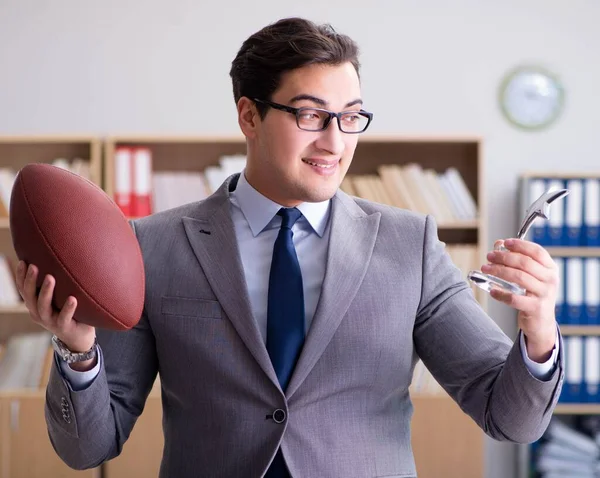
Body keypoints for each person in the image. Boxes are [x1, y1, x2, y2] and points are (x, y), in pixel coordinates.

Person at [16, 17, 563, 478]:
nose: (335, 141)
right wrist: (77, 348)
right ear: (249, 116)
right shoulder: (153, 245)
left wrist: (538, 330)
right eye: (310, 115)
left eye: (350, 117)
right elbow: (87, 447)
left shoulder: (409, 245)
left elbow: (509, 418)